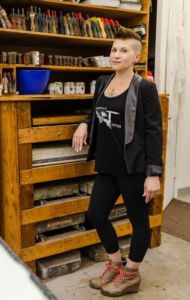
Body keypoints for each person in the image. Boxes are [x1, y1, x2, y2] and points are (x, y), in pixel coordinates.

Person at [72, 29, 162, 297]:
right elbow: (95, 114)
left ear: (137, 55)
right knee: (96, 214)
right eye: (113, 50)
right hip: (108, 165)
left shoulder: (144, 88)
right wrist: (83, 124)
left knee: (138, 221)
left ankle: (131, 274)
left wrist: (153, 173)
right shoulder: (102, 82)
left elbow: (154, 132)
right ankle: (114, 264)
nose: (116, 55)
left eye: (124, 51)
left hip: (134, 168)